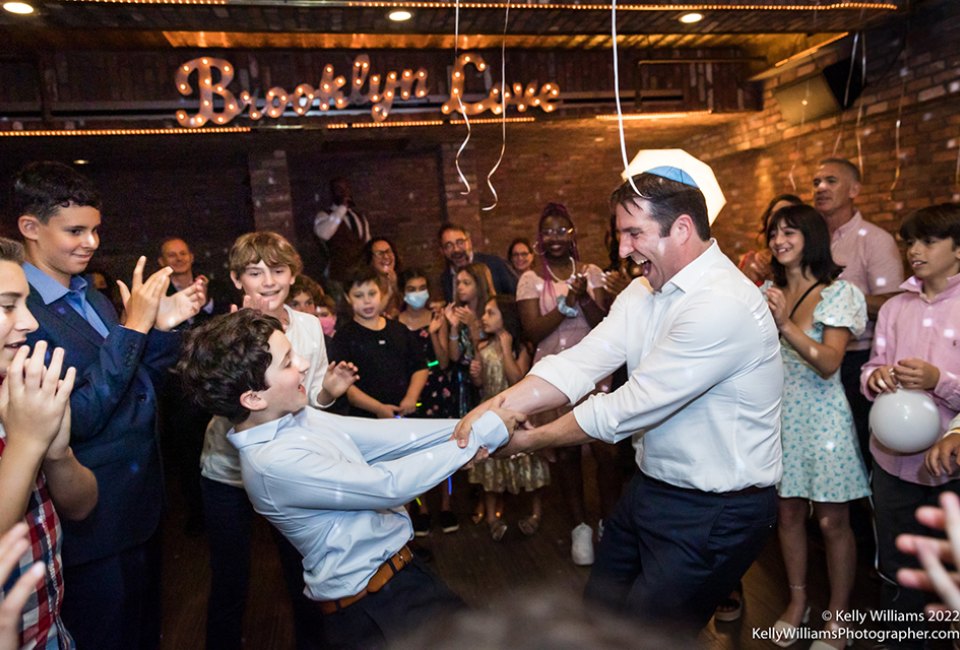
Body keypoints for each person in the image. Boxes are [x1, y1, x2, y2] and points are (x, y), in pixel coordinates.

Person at [455, 169, 783, 631]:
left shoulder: (722, 304)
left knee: (649, 636)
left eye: (634, 233)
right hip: (652, 488)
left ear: (682, 229)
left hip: (716, 510)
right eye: (621, 234)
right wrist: (500, 405)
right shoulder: (643, 291)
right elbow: (580, 362)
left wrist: (534, 438)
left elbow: (629, 405)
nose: (623, 249)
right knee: (600, 614)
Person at [177, 309, 521, 648]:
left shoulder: (294, 418)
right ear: (253, 398)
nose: (304, 364)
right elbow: (386, 486)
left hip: (403, 580)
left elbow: (388, 438)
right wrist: (477, 439)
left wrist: (475, 422)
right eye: (287, 362)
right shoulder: (271, 462)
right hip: (376, 610)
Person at [13, 161, 204, 650]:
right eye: (75, 230)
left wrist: (159, 329)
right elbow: (73, 418)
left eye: (96, 229)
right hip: (90, 521)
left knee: (144, 631)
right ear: (30, 228)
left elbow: (134, 381)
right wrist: (134, 328)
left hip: (138, 502)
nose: (91, 242)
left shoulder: (91, 295)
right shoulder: (21, 315)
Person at [201, 230, 356, 650]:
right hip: (228, 472)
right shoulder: (224, 329)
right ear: (237, 279)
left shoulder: (308, 325)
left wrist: (329, 390)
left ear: (293, 276)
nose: (268, 281)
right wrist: (254, 328)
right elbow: (223, 404)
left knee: (303, 572)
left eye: (278, 270)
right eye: (255, 271)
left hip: (289, 466)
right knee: (230, 577)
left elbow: (312, 402)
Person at [762, 204, 870, 648]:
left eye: (790, 232)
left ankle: (839, 616)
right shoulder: (766, 291)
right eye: (773, 234)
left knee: (832, 522)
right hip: (780, 414)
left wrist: (785, 323)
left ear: (812, 238)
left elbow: (829, 363)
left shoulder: (838, 293)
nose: (779, 240)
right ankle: (796, 602)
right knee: (787, 514)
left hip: (824, 415)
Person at [860, 203, 960, 648]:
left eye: (928, 241)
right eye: (909, 242)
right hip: (893, 462)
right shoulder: (894, 308)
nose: (914, 251)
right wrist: (875, 378)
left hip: (951, 461)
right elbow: (872, 366)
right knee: (897, 565)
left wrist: (941, 381)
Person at [0, 236, 97, 650]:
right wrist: (25, 443)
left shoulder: (18, 388)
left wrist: (57, 452)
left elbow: (81, 505)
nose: (29, 321)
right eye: (8, 306)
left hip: (49, 628)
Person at [516, 202, 612, 566]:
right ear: (540, 238)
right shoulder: (530, 279)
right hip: (555, 374)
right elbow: (533, 330)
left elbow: (603, 323)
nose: (555, 237)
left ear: (573, 233)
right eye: (548, 231)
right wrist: (564, 304)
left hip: (593, 372)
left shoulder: (591, 272)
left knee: (606, 451)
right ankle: (579, 529)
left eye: (562, 230)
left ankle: (607, 522)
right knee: (567, 451)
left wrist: (584, 296)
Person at [814, 158, 904, 459]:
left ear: (854, 189)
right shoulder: (812, 239)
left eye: (831, 181)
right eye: (816, 183)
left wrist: (838, 296)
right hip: (811, 359)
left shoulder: (874, 240)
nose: (821, 188)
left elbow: (893, 304)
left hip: (855, 360)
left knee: (854, 454)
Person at [468, 295, 548, 540]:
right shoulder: (482, 347)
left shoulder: (520, 348)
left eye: (491, 313)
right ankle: (493, 517)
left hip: (516, 412)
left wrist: (505, 349)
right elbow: (481, 384)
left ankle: (535, 513)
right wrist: (475, 374)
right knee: (492, 464)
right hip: (491, 413)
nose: (484, 318)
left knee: (526, 462)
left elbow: (517, 380)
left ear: (506, 318)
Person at [397, 268, 458, 535]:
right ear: (403, 293)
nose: (418, 293)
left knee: (444, 447)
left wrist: (434, 332)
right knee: (414, 452)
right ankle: (421, 508)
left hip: (437, 389)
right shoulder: (395, 322)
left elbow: (444, 361)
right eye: (412, 288)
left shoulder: (437, 318)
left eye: (422, 287)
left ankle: (446, 505)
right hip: (410, 391)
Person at [331, 266, 428, 419]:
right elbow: (344, 385)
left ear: (381, 294)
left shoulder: (399, 329)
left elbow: (420, 367)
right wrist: (378, 408)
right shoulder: (344, 337)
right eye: (358, 295)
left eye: (372, 293)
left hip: (405, 415)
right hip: (364, 419)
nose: (367, 301)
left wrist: (411, 397)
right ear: (348, 298)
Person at [437, 223, 516, 303]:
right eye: (449, 245)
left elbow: (513, 296)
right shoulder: (446, 278)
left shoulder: (493, 264)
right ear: (442, 251)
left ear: (469, 242)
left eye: (460, 242)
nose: (456, 249)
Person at [313, 177, 371, 286]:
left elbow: (368, 243)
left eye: (346, 188)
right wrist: (342, 208)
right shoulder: (324, 215)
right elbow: (324, 234)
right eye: (338, 189)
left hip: (361, 275)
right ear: (332, 193)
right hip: (339, 275)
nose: (344, 192)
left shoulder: (360, 217)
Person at [737, 194, 804, 286]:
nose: (777, 219)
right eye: (773, 214)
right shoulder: (752, 261)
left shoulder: (807, 267)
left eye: (785, 214)